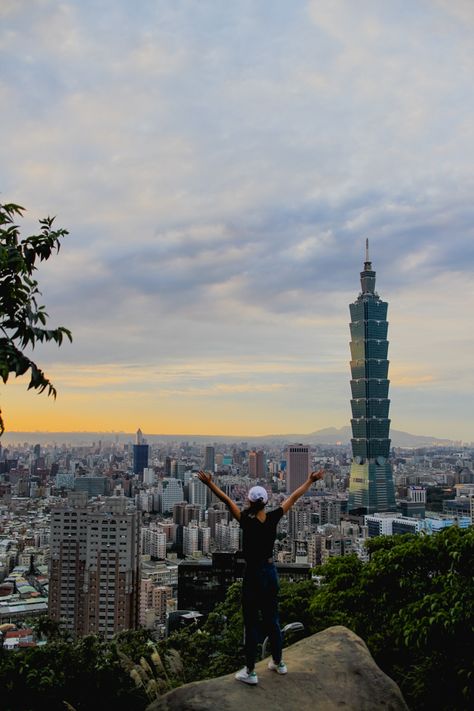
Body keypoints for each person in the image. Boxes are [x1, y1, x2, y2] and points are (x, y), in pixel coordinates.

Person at [197, 467, 324, 685]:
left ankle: (250, 671)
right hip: (270, 572)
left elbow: (228, 501)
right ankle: (278, 662)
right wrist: (310, 480)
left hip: (253, 573)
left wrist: (210, 484)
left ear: (249, 501)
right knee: (273, 619)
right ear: (266, 501)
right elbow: (293, 497)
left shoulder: (246, 519)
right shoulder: (274, 517)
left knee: (251, 622)